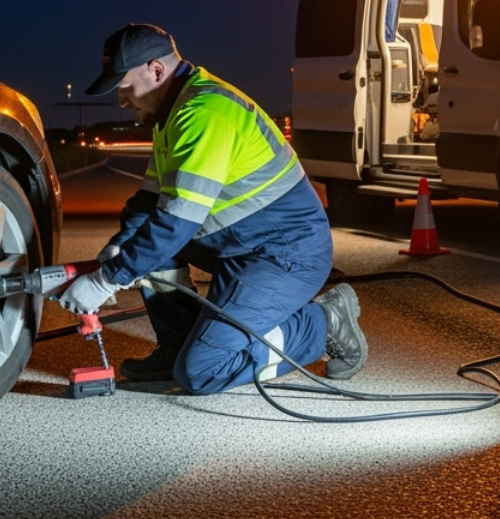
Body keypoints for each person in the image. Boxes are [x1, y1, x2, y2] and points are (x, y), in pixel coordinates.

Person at [56, 23, 366, 393]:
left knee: (202, 371)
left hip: (286, 255)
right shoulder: (169, 116)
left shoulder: (204, 112)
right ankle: (177, 344)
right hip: (242, 249)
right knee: (142, 241)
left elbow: (175, 224)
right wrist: (117, 251)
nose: (121, 101)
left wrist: (109, 278)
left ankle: (323, 322)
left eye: (125, 88)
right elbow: (148, 205)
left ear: (156, 71)